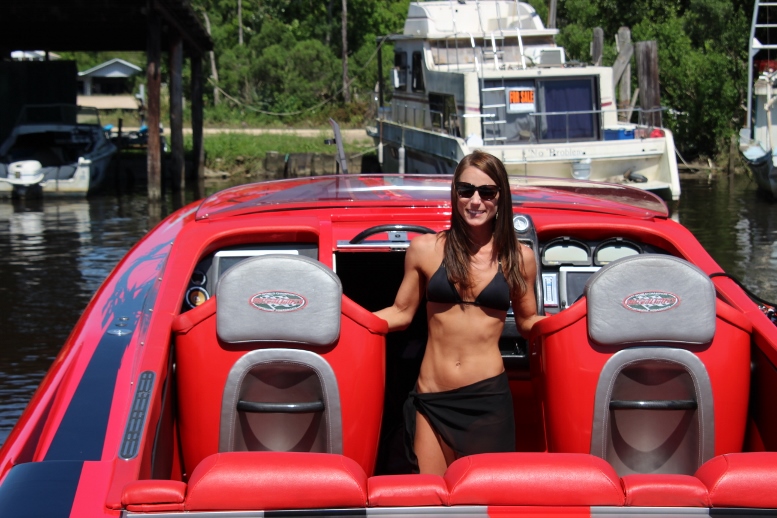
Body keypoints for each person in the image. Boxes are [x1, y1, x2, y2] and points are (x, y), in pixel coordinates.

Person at [374, 150, 544, 476]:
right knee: (430, 498)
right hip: (431, 397)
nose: (475, 201)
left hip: (486, 401)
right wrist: (347, 319)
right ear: (455, 194)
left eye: (487, 192)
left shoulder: (519, 258)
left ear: (501, 197)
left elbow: (527, 322)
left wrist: (571, 323)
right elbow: (401, 313)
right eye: (466, 190)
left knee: (480, 498)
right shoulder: (425, 249)